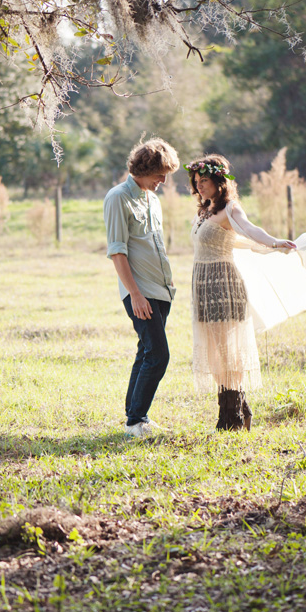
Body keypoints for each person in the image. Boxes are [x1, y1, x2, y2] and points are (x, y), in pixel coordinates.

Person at [186, 154, 296, 431]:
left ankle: (230, 419)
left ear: (220, 182)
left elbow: (248, 229)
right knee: (215, 351)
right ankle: (240, 409)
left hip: (224, 284)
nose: (200, 186)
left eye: (205, 181)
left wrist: (272, 242)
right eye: (197, 182)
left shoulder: (230, 209)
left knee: (228, 351)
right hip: (202, 285)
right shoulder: (205, 211)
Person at [104, 138, 180, 438]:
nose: (164, 180)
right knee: (159, 355)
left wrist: (168, 281)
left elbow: (156, 244)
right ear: (145, 168)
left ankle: (135, 418)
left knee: (146, 352)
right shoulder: (117, 197)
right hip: (140, 292)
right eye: (160, 173)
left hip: (162, 290)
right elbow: (117, 251)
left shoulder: (153, 198)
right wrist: (135, 294)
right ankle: (137, 420)